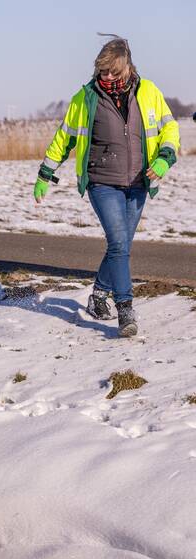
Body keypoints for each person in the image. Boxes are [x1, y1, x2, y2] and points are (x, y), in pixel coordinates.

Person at [33, 35, 180, 338]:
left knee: (121, 245)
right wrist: (45, 173)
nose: (108, 77)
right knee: (118, 244)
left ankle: (99, 294)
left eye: (114, 71)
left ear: (127, 67)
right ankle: (125, 309)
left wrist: (165, 159)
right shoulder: (86, 98)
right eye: (103, 71)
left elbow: (170, 127)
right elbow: (64, 137)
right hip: (102, 182)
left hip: (139, 182)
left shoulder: (149, 92)